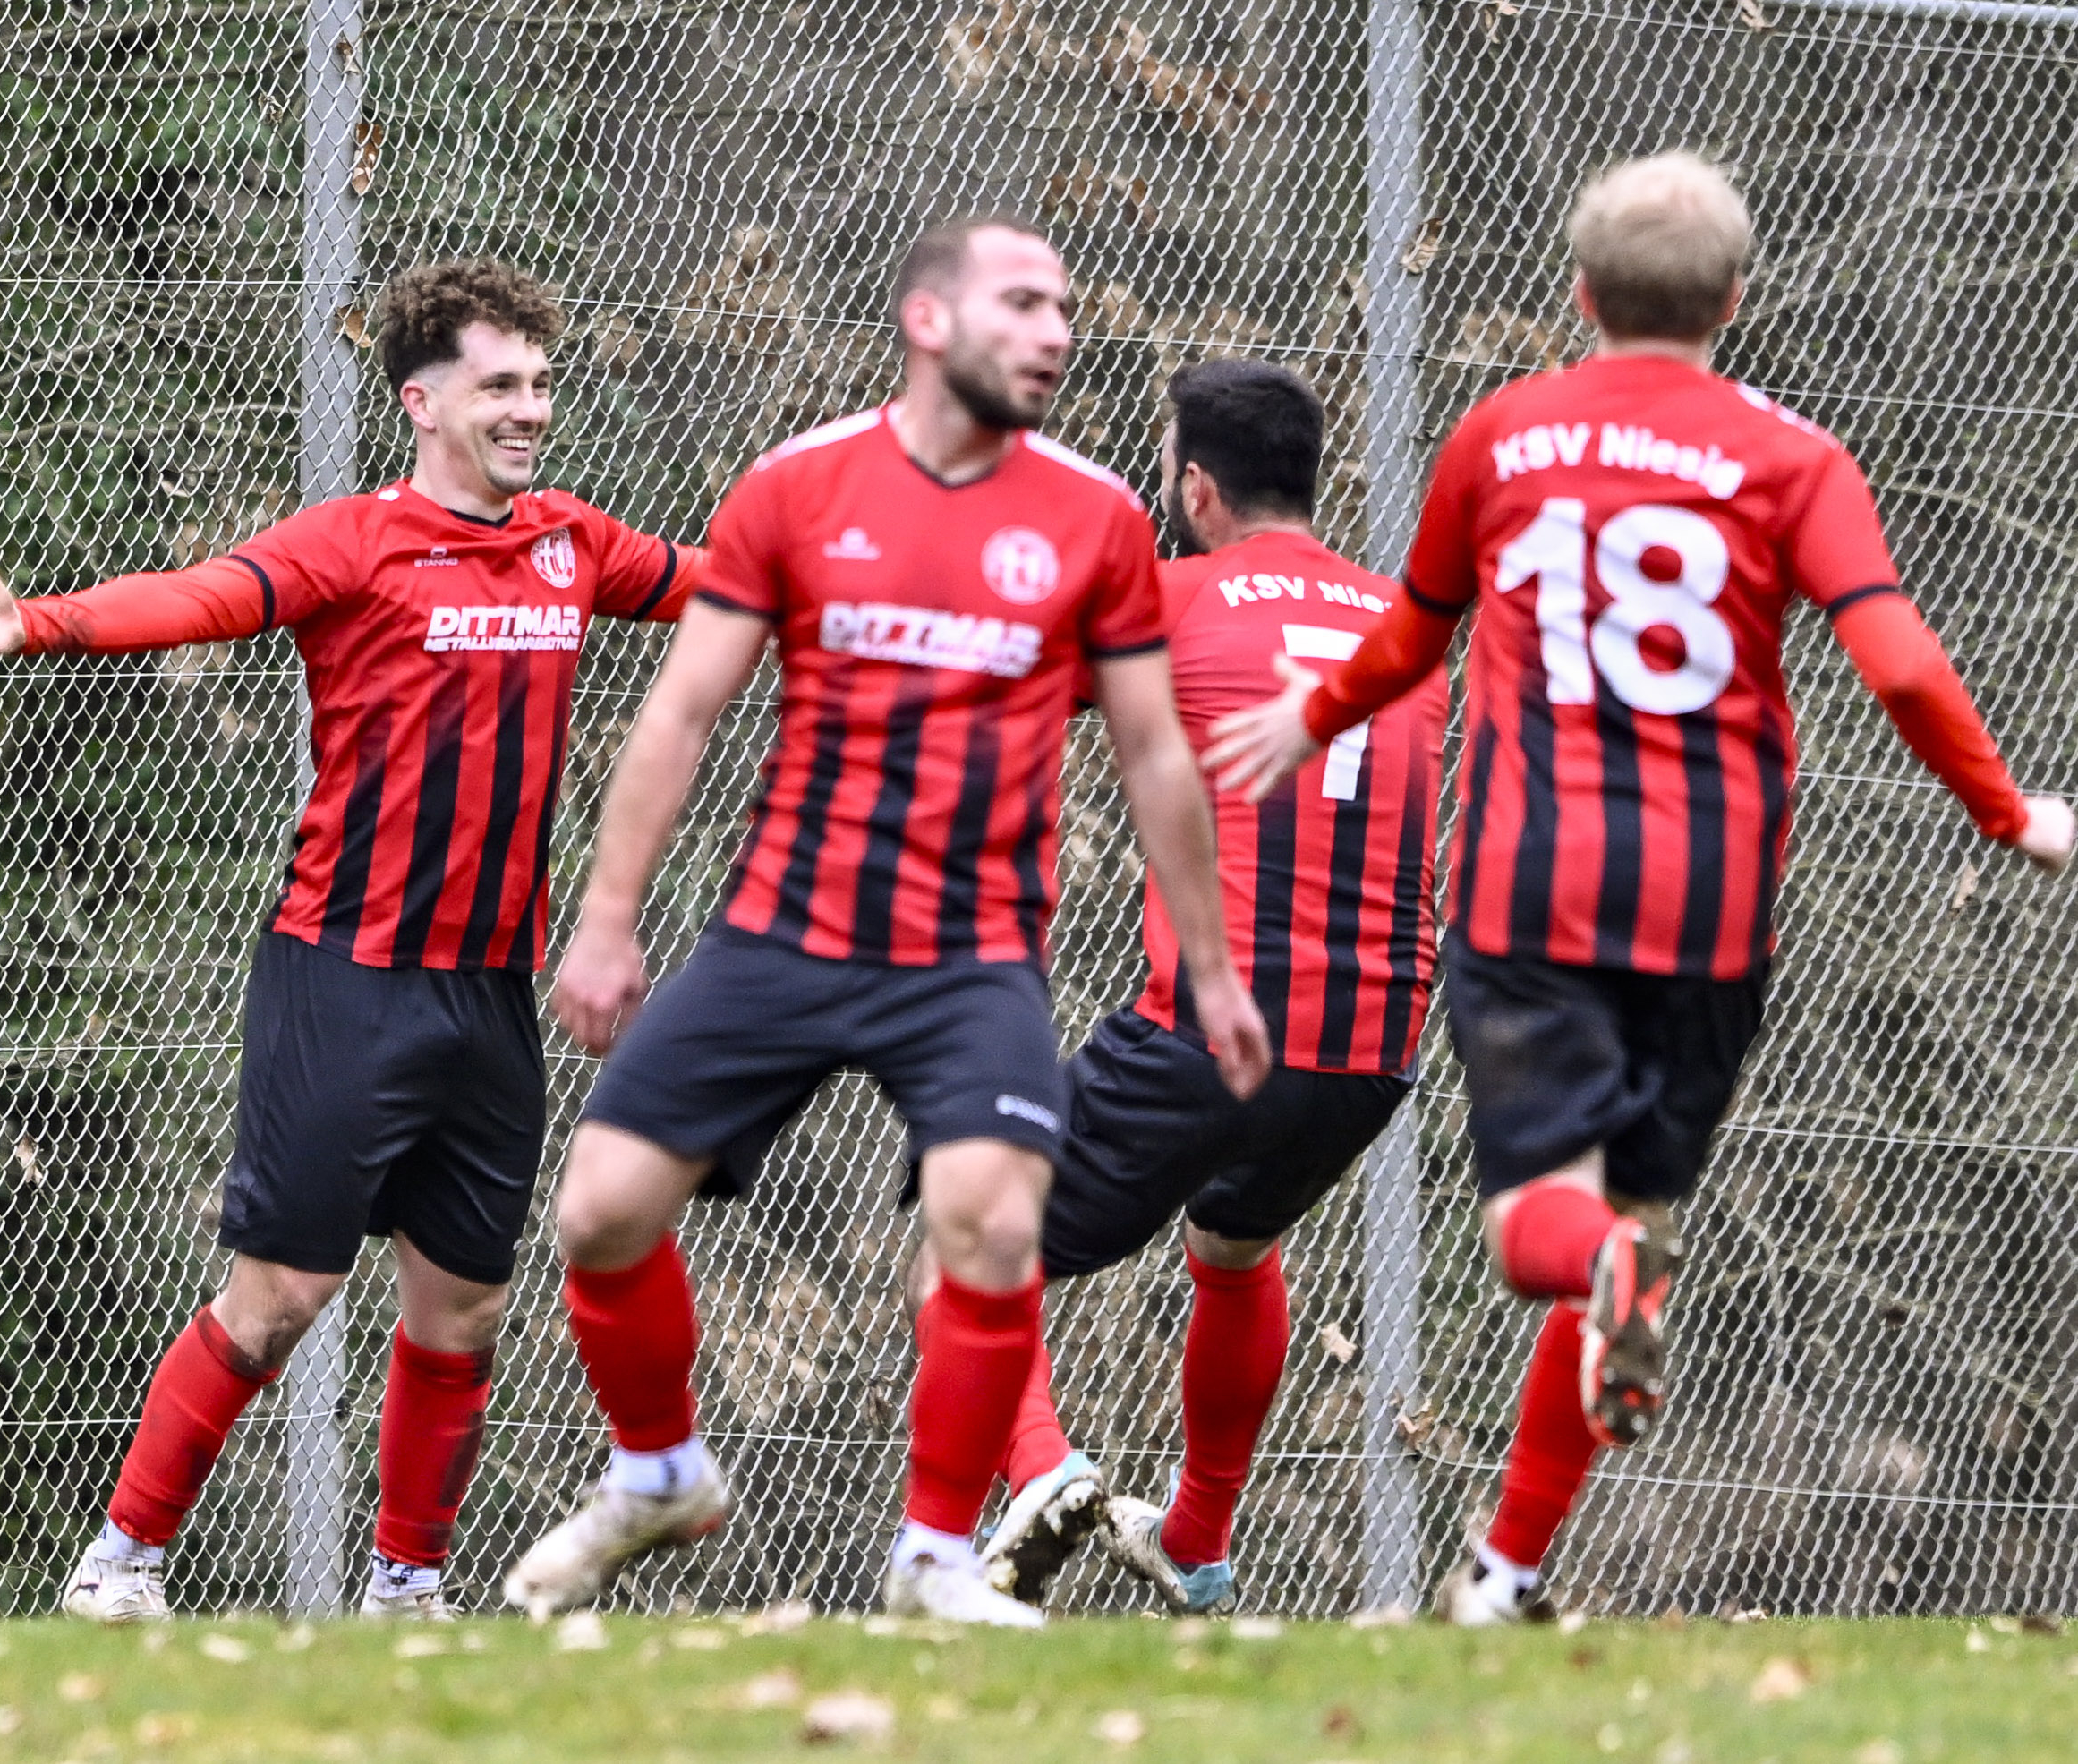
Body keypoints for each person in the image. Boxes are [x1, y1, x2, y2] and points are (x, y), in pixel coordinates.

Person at [1204, 152, 2074, 1625]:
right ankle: (1506, 1572)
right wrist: (2005, 808)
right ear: (1733, 300)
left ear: (1580, 293)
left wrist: (1314, 714)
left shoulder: (1502, 436)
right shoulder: (1797, 459)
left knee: (1542, 1230)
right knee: (1639, 1216)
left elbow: (1414, 634)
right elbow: (1900, 661)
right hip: (1714, 896)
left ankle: (1594, 1288)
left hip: (1535, 880)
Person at [498, 216, 1273, 1628]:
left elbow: (1155, 751)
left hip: (972, 954)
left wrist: (1213, 970)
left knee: (991, 1219)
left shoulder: (1096, 515)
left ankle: (932, 1560)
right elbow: (681, 710)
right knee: (601, 1210)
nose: (1056, 332)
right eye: (1021, 303)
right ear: (929, 320)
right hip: (783, 930)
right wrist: (608, 920)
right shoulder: (798, 485)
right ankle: (657, 1471)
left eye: (1063, 308)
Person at [0, 259, 703, 1622]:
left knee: (465, 1309)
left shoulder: (573, 543)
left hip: (491, 994)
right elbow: (199, 598)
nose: (529, 409)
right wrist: (32, 622)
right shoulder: (353, 542)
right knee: (281, 1294)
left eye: (538, 384)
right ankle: (121, 1563)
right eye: (499, 386)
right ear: (423, 403)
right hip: (344, 979)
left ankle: (407, 1590)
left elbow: (731, 590)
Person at [954, 358, 1448, 1615]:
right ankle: (1197, 1543)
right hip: (1374, 1053)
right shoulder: (1409, 624)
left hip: (1212, 1032)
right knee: (1233, 1243)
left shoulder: (1170, 598)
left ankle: (1041, 1471)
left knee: (970, 1226)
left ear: (1195, 488)